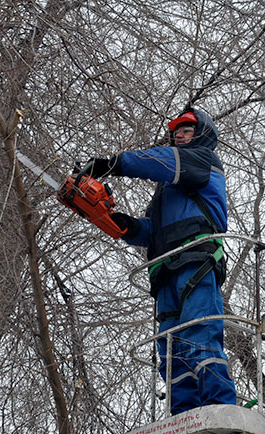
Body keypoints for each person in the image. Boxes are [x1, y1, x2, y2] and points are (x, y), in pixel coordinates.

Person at [87, 107, 238, 415]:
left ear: (202, 134)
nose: (179, 135)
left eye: (187, 130)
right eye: (176, 132)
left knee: (199, 335)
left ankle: (219, 408)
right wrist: (121, 224)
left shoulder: (202, 161)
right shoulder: (166, 194)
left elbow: (161, 160)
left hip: (196, 260)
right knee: (171, 350)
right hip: (164, 271)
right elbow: (152, 230)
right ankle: (183, 415)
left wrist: (113, 164)